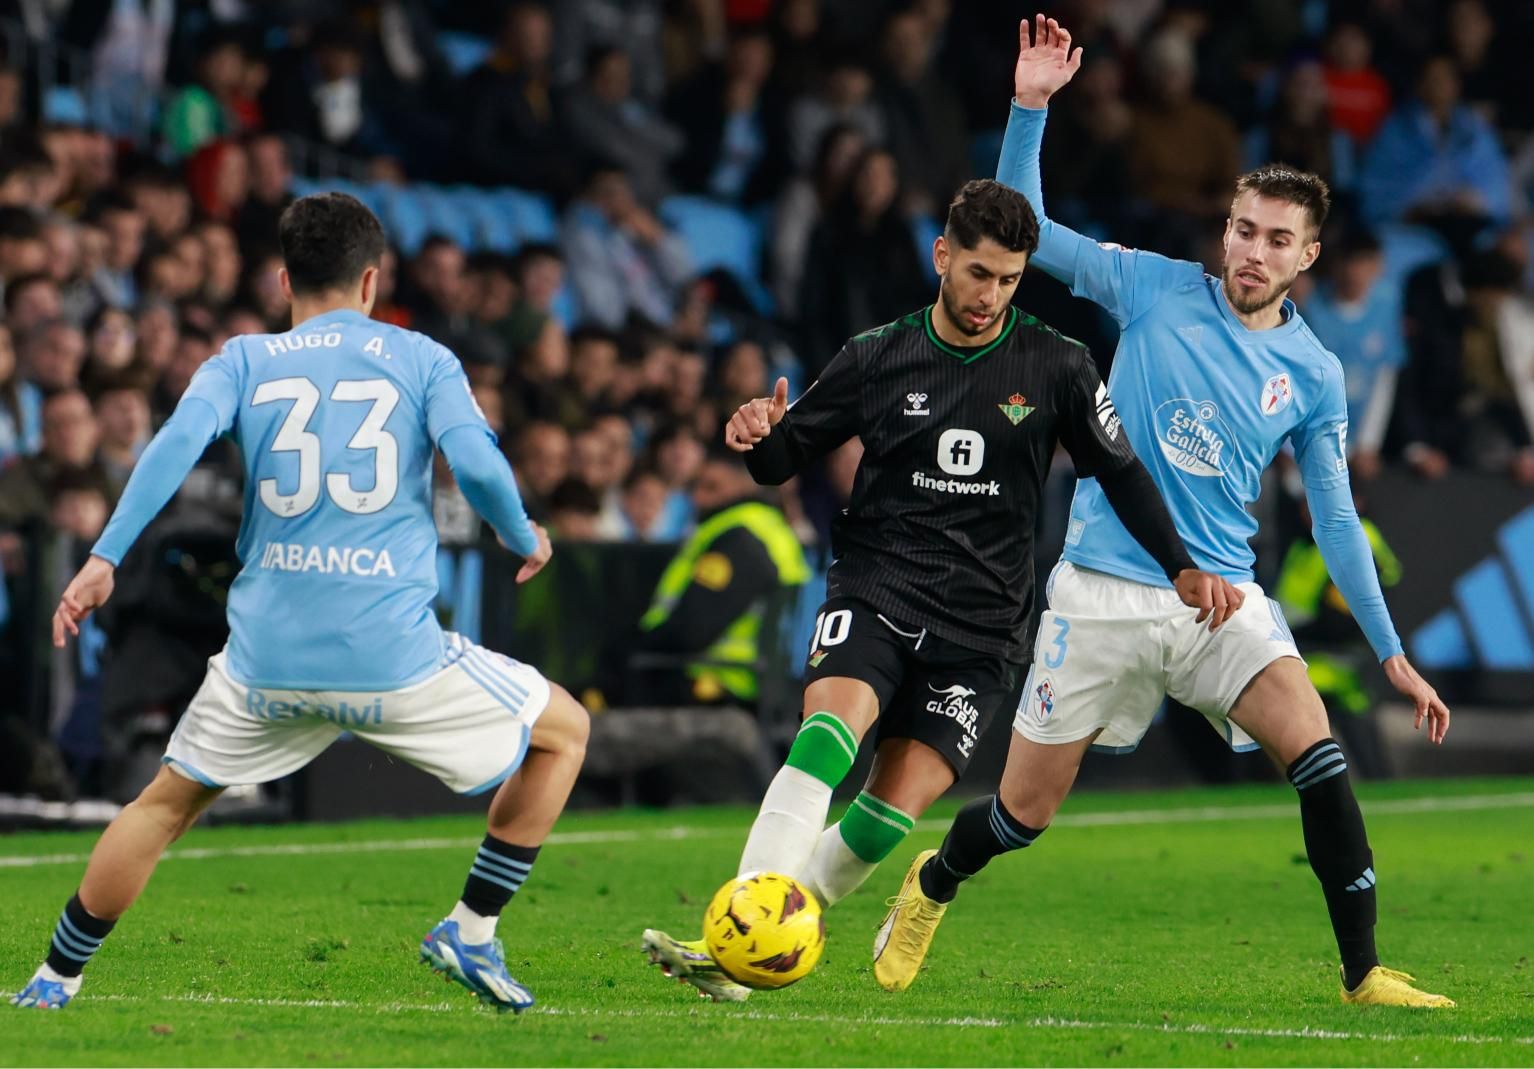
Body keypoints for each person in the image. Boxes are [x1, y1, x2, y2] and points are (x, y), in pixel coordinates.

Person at [874, 17, 1454, 1010]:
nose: (1251, 251)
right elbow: (1031, 231)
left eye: (1276, 239)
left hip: (1220, 604)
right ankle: (933, 880)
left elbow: (1336, 513)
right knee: (1021, 814)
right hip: (1101, 592)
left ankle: (1363, 972)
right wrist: (1029, 108)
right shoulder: (1149, 286)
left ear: (1306, 256)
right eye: (1241, 229)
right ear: (1222, 229)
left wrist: (1391, 648)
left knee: (1317, 753)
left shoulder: (1312, 373)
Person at [641, 175, 1240, 1002]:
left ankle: (750, 958)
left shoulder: (1058, 364)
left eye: (1008, 279)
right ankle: (741, 929)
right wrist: (757, 438)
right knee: (827, 734)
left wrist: (1180, 564)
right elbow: (783, 457)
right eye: (977, 273)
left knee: (890, 808)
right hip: (879, 582)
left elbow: (1124, 472)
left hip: (984, 624)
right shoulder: (877, 354)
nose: (991, 294)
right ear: (943, 255)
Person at [10, 193, 590, 1014]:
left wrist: (104, 557)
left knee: (164, 805)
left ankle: (54, 978)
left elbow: (174, 441)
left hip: (264, 663)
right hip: (391, 658)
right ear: (370, 283)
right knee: (565, 734)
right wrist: (520, 532)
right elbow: (478, 462)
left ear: (285, 280)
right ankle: (471, 925)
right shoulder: (423, 358)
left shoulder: (243, 359)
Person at [631, 449, 809, 708]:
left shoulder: (739, 535)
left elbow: (692, 629)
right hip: (757, 685)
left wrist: (640, 644)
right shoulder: (771, 527)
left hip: (720, 682)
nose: (698, 498)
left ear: (746, 484)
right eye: (695, 487)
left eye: (712, 487)